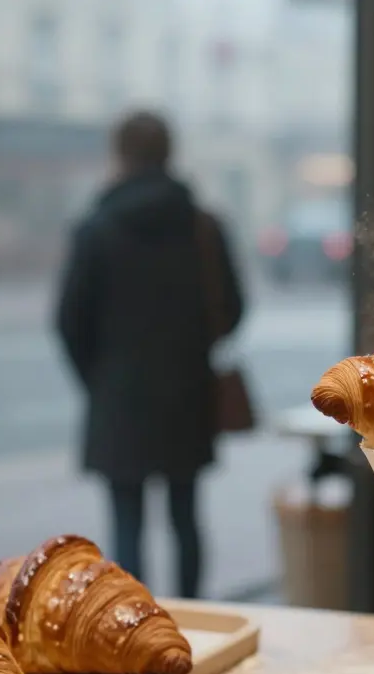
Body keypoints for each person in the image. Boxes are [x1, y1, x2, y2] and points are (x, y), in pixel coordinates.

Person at [55, 111, 244, 599]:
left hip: (119, 398)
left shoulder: (96, 228)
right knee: (186, 518)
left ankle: (135, 627)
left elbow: (69, 322)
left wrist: (99, 377)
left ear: (120, 156)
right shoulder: (203, 226)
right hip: (188, 392)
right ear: (168, 154)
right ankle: (193, 619)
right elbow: (234, 308)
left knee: (126, 524)